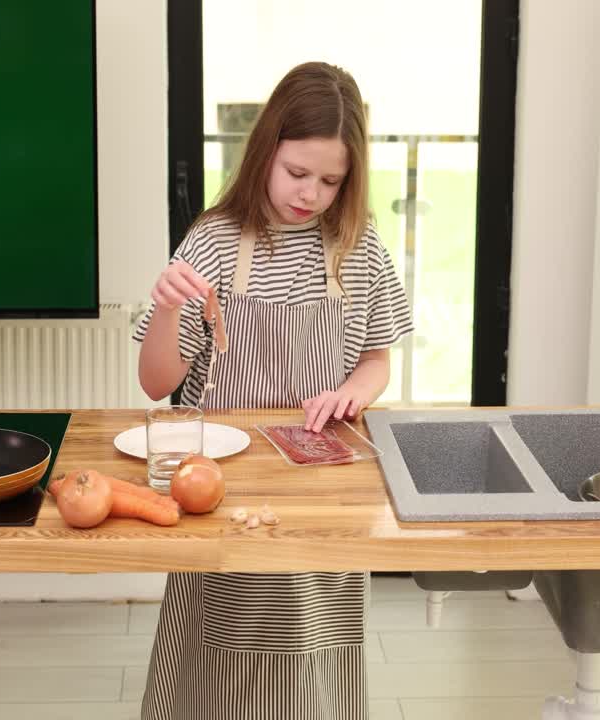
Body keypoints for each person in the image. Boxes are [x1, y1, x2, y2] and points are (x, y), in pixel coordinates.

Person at [132, 61, 413, 719]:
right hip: (223, 483)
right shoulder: (212, 241)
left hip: (323, 482)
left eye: (330, 180)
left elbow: (378, 357)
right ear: (265, 150)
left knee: (315, 648)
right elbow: (156, 383)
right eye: (296, 172)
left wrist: (353, 392)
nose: (310, 193)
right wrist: (169, 309)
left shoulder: (356, 246)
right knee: (222, 650)